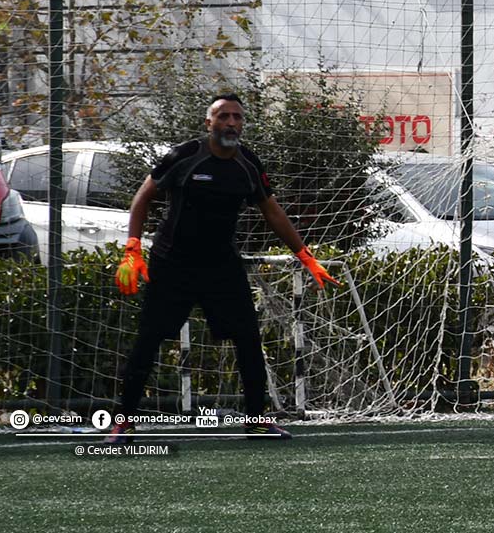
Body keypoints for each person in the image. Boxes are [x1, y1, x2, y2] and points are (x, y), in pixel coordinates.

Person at [106, 93, 339, 443]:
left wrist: (306, 256)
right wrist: (132, 249)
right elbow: (143, 197)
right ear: (209, 123)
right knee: (149, 339)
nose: (231, 122)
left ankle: (256, 421)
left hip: (221, 266)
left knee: (248, 339)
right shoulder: (186, 155)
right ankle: (123, 423)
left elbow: (272, 211)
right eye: (223, 116)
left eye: (237, 117)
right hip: (173, 263)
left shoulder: (248, 163)